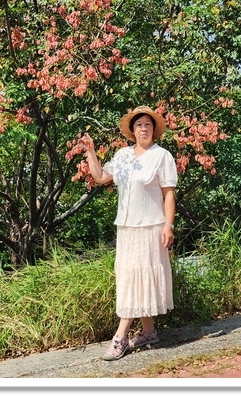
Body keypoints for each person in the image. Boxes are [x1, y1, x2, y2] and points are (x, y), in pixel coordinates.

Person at [75, 105, 177, 361]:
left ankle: (120, 337)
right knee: (132, 278)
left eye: (148, 124)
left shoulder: (161, 156)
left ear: (154, 130)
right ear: (132, 130)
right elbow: (100, 177)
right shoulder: (122, 155)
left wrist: (168, 226)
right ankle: (149, 331)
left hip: (151, 228)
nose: (144, 128)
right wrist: (90, 152)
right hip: (127, 228)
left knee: (136, 279)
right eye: (139, 124)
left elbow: (169, 194)